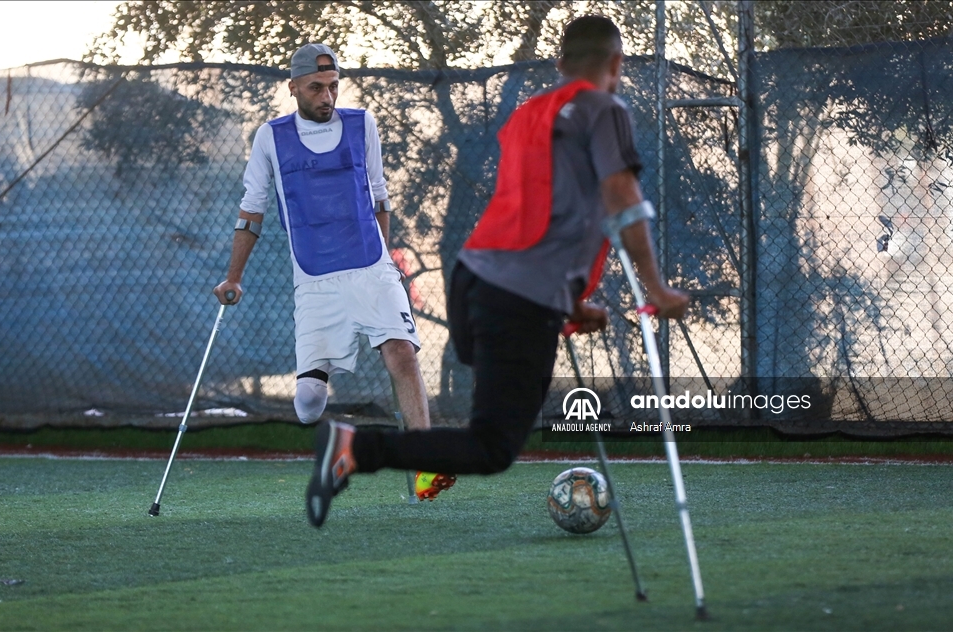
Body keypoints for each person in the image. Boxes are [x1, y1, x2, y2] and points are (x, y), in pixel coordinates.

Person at [305, 16, 689, 528]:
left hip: (475, 282)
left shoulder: (530, 114)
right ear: (615, 65)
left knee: (491, 423)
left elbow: (538, 214)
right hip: (519, 296)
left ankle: (359, 448)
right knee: (493, 446)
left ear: (559, 65)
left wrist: (570, 303)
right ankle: (356, 448)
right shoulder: (604, 108)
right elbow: (622, 197)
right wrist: (656, 287)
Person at [214, 43, 455, 501]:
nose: (327, 97)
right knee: (308, 405)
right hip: (316, 281)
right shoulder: (271, 137)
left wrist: (383, 263)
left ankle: (427, 464)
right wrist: (233, 277)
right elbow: (251, 212)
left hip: (371, 267)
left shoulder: (362, 124)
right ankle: (340, 437)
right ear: (294, 88)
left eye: (333, 86)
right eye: (316, 88)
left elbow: (380, 196)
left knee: (401, 353)